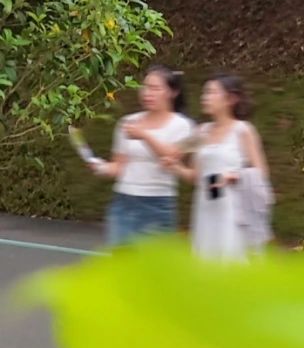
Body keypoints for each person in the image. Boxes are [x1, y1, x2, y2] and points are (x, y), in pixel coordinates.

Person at [91, 66, 193, 247]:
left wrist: (144, 135)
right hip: (124, 202)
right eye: (145, 87)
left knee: (153, 269)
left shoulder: (182, 125)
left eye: (155, 88)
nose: (147, 93)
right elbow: (118, 166)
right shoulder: (128, 122)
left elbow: (172, 156)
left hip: (158, 204)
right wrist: (102, 168)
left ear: (172, 92)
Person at [182, 74, 273, 260]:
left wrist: (234, 176)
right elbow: (194, 175)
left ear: (230, 99)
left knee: (231, 259)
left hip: (233, 208)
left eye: (211, 92)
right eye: (204, 93)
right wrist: (172, 165)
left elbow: (261, 173)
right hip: (205, 206)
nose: (204, 97)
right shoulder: (201, 132)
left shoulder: (243, 130)